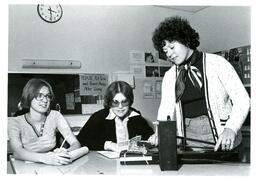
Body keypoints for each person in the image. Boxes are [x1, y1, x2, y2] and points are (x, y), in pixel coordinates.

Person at [152, 16, 250, 153]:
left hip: (221, 135)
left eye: (172, 47)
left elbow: (243, 100)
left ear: (185, 40)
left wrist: (231, 128)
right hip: (188, 139)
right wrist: (160, 132)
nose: (170, 54)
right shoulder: (170, 76)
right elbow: (165, 109)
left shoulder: (218, 63)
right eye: (166, 51)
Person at [8, 78, 83, 165]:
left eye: (48, 96)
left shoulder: (55, 116)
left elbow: (76, 143)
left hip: (52, 165)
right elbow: (17, 152)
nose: (45, 100)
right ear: (29, 96)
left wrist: (65, 152)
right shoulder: (15, 122)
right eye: (39, 96)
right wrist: (46, 158)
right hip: (24, 167)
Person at [77, 81, 155, 152]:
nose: (120, 107)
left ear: (130, 101)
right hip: (105, 163)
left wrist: (153, 139)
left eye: (124, 102)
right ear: (110, 102)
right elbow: (82, 140)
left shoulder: (136, 117)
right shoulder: (98, 117)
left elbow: (149, 138)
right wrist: (109, 145)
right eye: (115, 102)